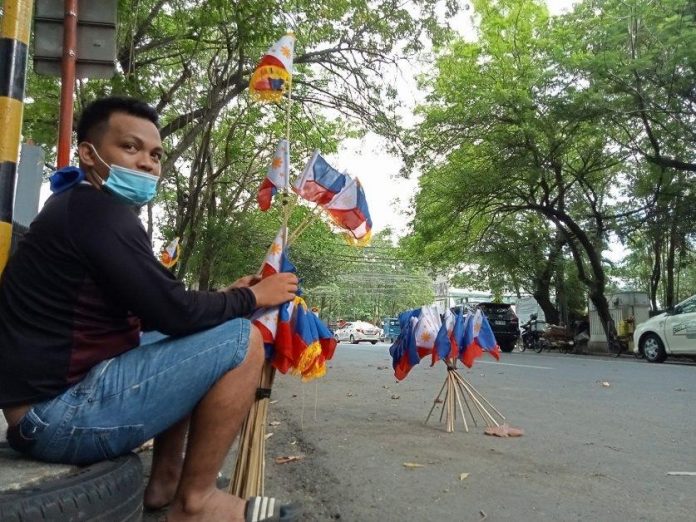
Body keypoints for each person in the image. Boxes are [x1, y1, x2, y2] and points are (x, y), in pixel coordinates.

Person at [0, 96, 300, 522]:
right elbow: (174, 311)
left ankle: (165, 480)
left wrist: (223, 295)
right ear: (88, 153)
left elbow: (159, 307)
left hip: (42, 412)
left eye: (155, 154)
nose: (146, 163)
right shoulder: (97, 213)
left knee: (189, 336)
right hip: (56, 417)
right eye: (130, 147)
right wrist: (253, 298)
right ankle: (196, 502)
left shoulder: (80, 209)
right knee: (241, 339)